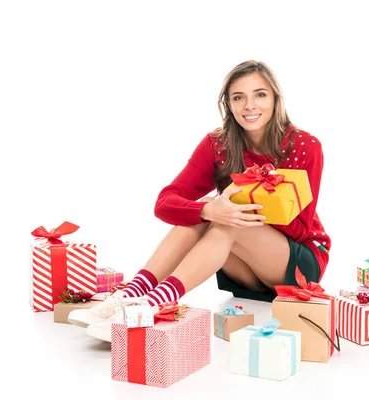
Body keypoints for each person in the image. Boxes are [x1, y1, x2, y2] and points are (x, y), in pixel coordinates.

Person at [68, 60, 331, 342]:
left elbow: (302, 228)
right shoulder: (218, 144)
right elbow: (165, 203)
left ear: (276, 99)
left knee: (229, 219)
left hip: (297, 264)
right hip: (244, 272)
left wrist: (247, 208)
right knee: (203, 213)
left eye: (260, 95)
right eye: (238, 97)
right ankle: (130, 295)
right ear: (228, 104)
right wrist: (208, 210)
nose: (249, 106)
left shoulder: (304, 145)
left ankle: (152, 304)